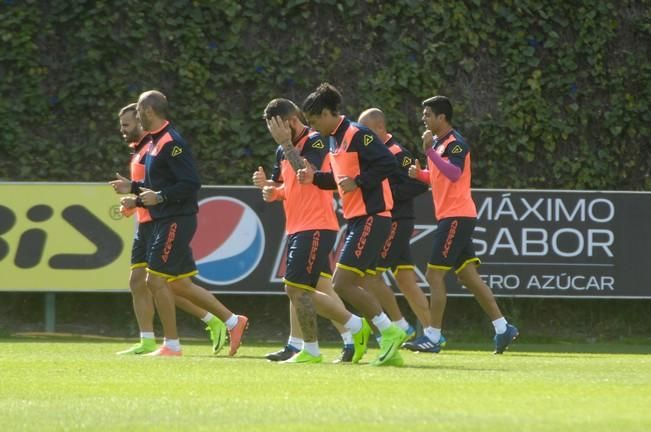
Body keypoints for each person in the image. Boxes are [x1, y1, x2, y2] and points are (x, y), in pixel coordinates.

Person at [110, 90, 249, 356]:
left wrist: (158, 196)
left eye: (138, 112)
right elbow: (157, 185)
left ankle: (171, 345)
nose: (136, 117)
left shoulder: (172, 142)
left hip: (175, 219)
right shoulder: (153, 143)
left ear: (149, 111)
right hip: (163, 219)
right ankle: (232, 321)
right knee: (176, 284)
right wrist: (135, 191)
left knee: (156, 280)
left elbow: (190, 183)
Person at [253, 98, 372, 364]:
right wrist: (270, 189)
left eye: (278, 128)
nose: (276, 135)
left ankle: (352, 327)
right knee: (314, 288)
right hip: (297, 227)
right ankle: (312, 345)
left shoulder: (316, 140)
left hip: (316, 225)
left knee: (295, 288)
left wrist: (285, 144)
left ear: (292, 122)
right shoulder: (282, 149)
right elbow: (287, 186)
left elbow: (307, 173)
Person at [297, 83, 407, 366]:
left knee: (342, 284)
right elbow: (340, 180)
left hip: (373, 216)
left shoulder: (358, 134)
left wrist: (359, 181)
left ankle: (388, 330)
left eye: (312, 121)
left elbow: (388, 165)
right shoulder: (335, 139)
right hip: (359, 218)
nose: (311, 127)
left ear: (325, 113)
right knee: (356, 285)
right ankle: (387, 347)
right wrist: (315, 179)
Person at [405, 95, 519, 354]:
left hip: (457, 216)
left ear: (441, 117)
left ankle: (433, 337)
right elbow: (441, 178)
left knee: (434, 274)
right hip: (454, 215)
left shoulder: (456, 143)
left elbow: (455, 173)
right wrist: (420, 175)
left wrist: (429, 153)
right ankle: (503, 328)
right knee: (468, 277)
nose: (423, 118)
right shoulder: (438, 143)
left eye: (427, 114)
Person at [357, 108, 436, 344]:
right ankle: (433, 333)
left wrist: (389, 193)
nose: (363, 137)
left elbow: (421, 184)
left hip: (396, 221)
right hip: (394, 221)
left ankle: (401, 327)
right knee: (405, 280)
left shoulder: (397, 153)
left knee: (370, 275)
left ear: (381, 128)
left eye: (367, 132)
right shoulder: (377, 153)